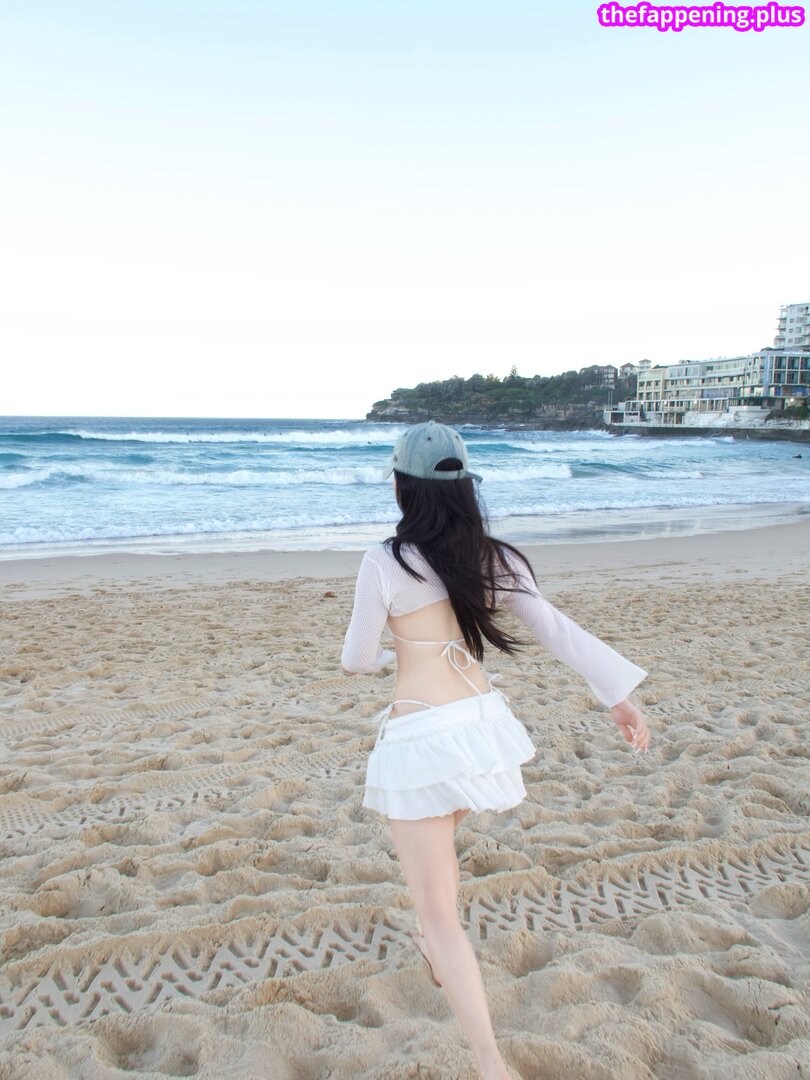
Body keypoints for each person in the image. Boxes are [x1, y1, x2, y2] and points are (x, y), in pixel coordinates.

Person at [340, 421, 651, 1080]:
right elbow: (559, 632)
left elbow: (357, 660)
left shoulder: (385, 561)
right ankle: (436, 949)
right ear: (464, 489)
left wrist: (401, 648)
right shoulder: (493, 559)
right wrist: (618, 697)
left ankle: (490, 1063)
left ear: (402, 488)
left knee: (437, 910)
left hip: (423, 737)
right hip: (481, 727)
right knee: (440, 867)